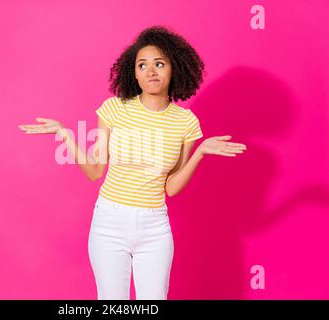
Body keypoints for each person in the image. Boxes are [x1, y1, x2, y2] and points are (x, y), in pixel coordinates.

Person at [18, 25, 247, 300]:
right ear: (133, 71)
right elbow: (94, 170)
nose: (150, 72)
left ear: (174, 68)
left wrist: (200, 153)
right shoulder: (114, 109)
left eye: (159, 64)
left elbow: (171, 187)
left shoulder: (186, 123)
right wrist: (65, 135)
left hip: (154, 227)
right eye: (142, 65)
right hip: (109, 222)